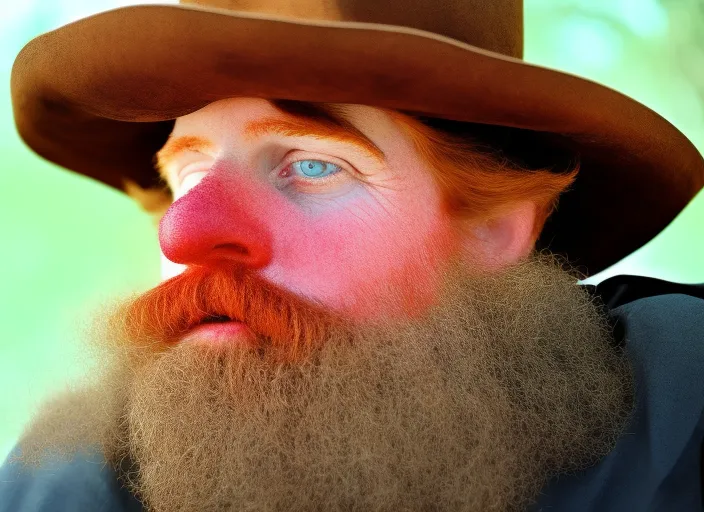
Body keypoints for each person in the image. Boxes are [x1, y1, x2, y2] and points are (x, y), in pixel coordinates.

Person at [2, 1, 703, 511]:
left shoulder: (681, 409)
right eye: (188, 172)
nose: (185, 234)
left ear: (489, 230)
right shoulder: (66, 481)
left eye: (310, 167)